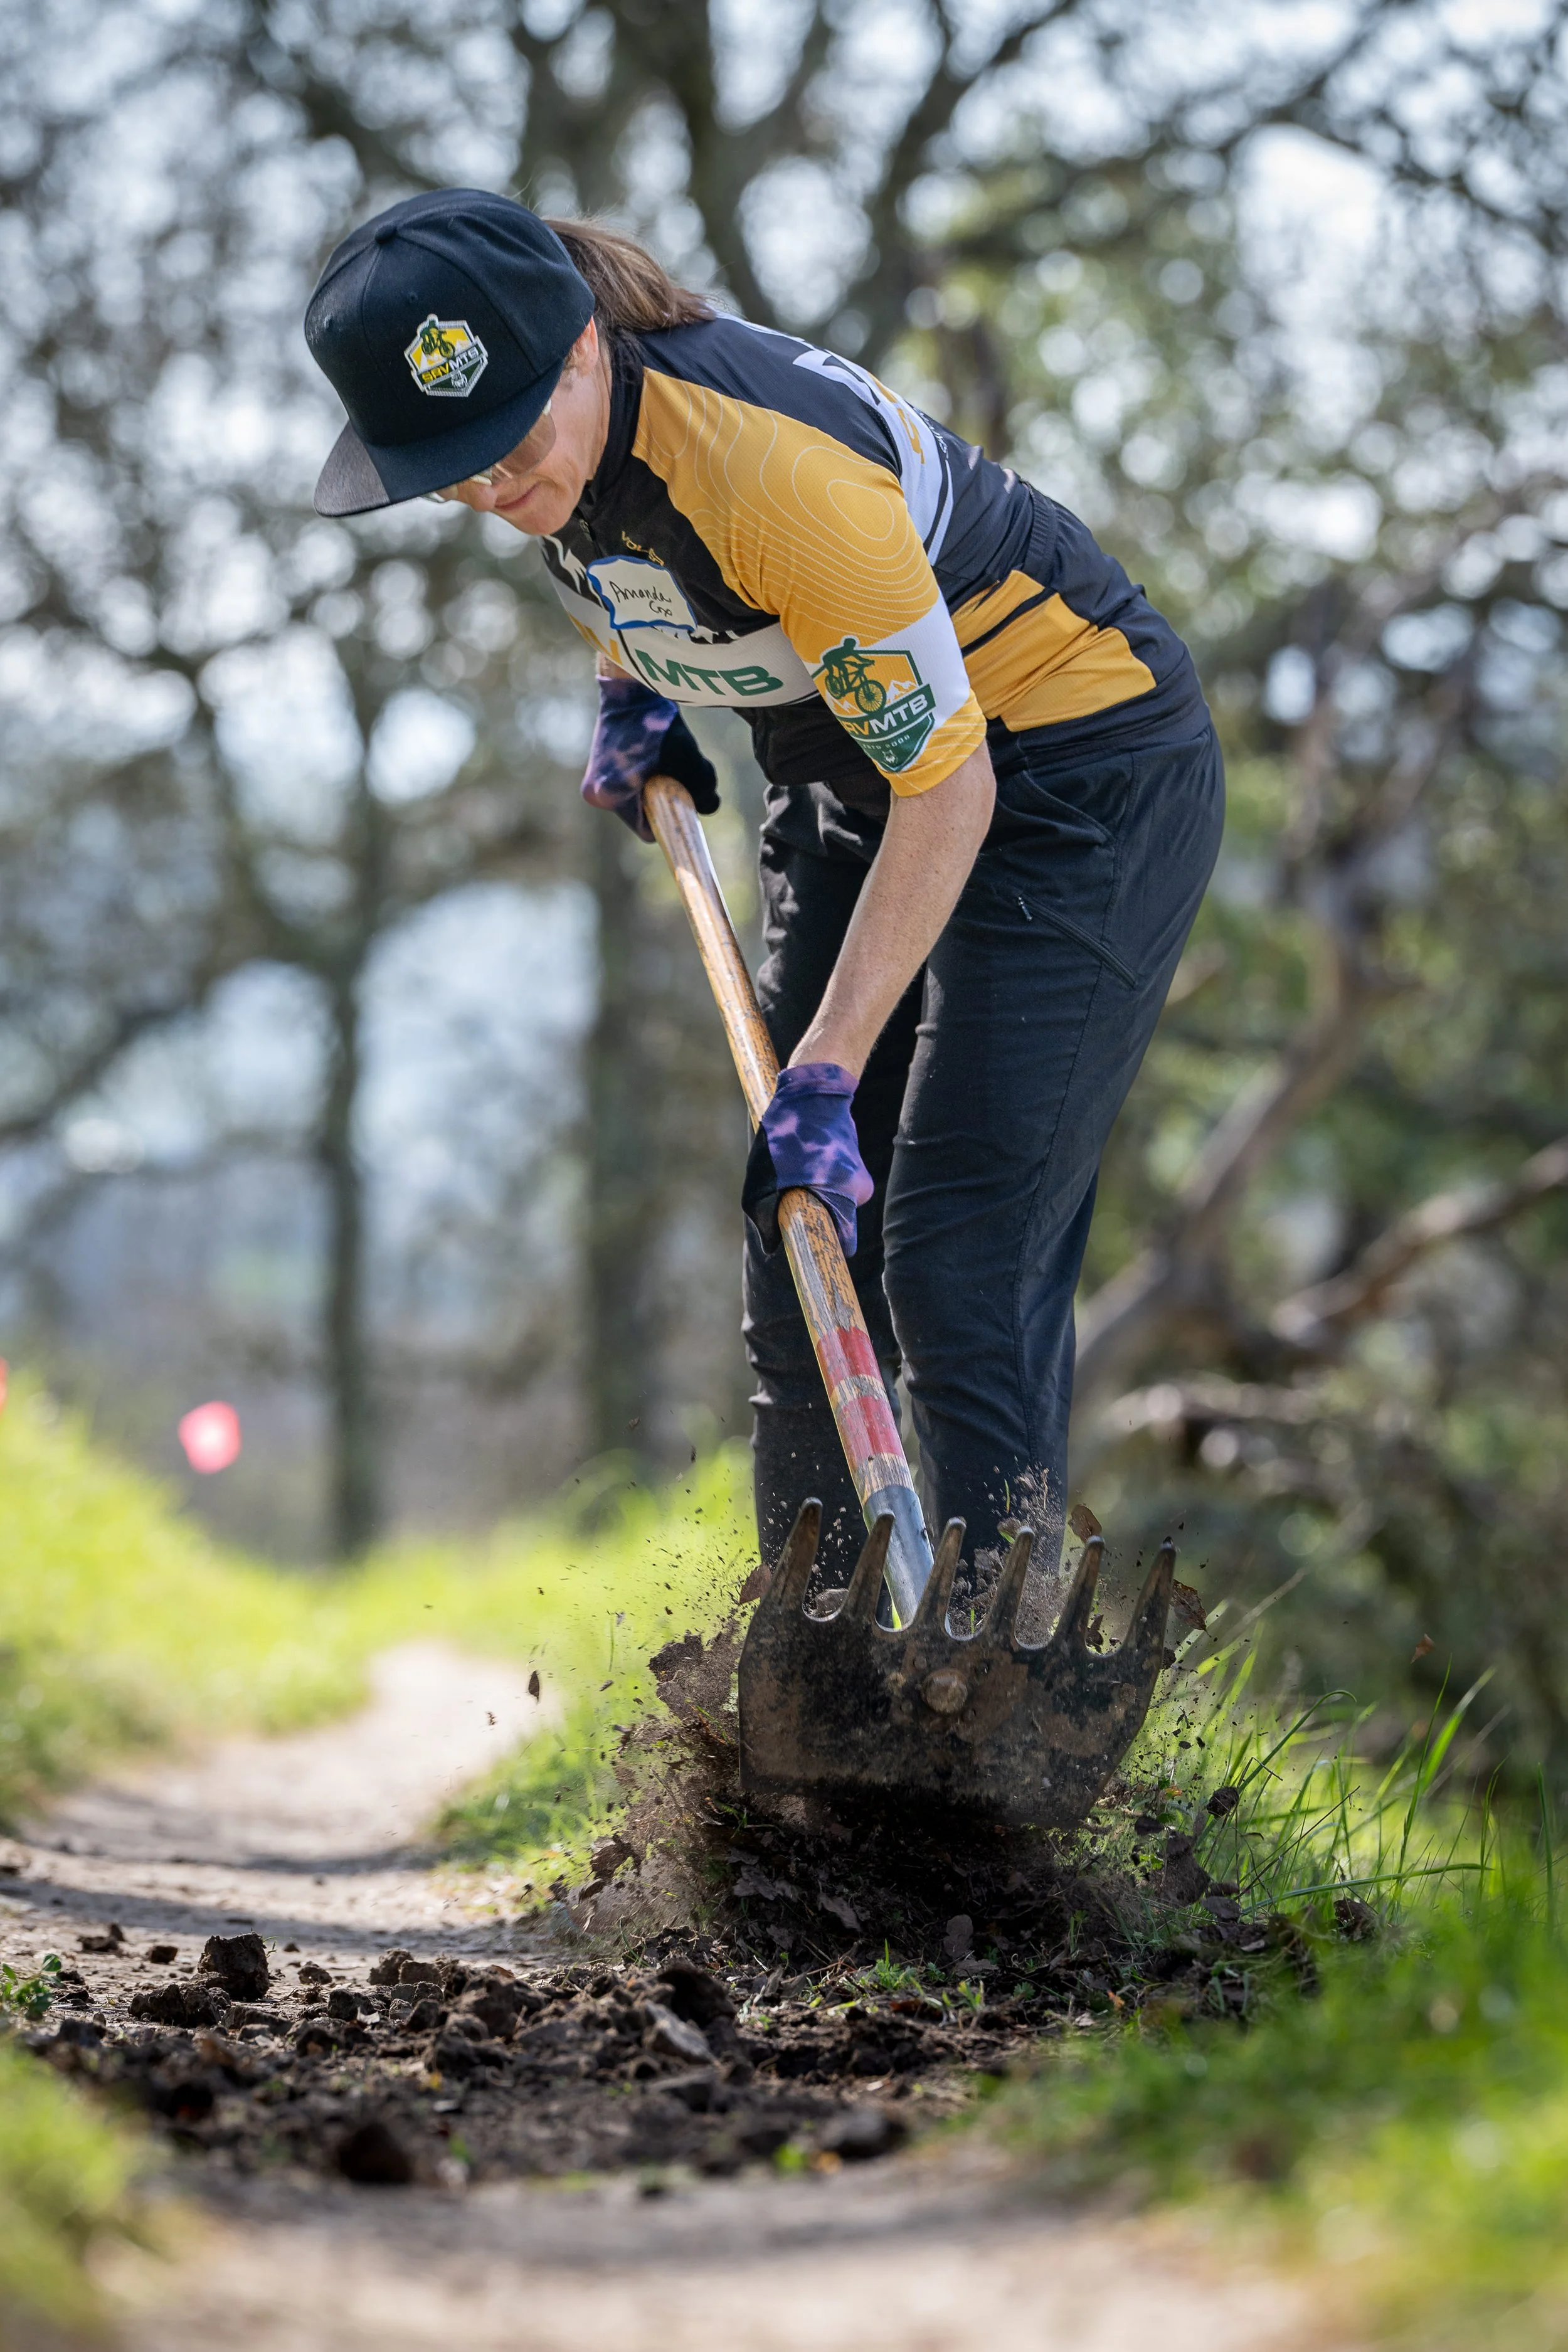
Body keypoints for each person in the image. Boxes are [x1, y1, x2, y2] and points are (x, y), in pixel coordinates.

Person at [304, 189, 1224, 1586]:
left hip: (1071, 781)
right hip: (860, 766)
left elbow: (951, 789)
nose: (492, 490)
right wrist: (631, 691)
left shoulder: (769, 475)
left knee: (954, 1259)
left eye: (508, 443)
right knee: (799, 1242)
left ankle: (997, 1678)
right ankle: (812, 1676)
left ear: (582, 346)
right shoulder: (553, 451)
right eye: (451, 471)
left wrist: (826, 1074)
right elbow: (620, 555)